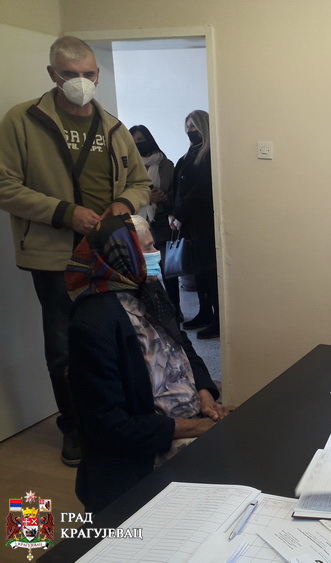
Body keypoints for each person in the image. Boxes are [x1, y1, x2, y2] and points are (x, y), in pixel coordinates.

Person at [0, 35, 151, 466]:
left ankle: (119, 420)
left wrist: (123, 204)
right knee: (65, 348)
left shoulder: (114, 127)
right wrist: (65, 213)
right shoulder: (22, 120)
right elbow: (4, 185)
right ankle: (77, 430)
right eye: (70, 74)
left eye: (87, 73)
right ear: (53, 74)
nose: (80, 82)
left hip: (111, 256)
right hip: (54, 257)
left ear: (98, 75)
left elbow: (140, 183)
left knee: (121, 338)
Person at [65, 214, 228, 513]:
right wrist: (197, 427)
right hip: (144, 454)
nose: (157, 253)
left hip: (185, 422)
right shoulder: (94, 323)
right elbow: (111, 427)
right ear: (124, 256)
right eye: (149, 247)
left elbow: (183, 347)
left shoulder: (148, 290)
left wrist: (205, 394)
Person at [169, 110, 219, 339]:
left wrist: (179, 214)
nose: (190, 130)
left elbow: (201, 190)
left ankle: (218, 319)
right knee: (198, 271)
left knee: (210, 272)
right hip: (189, 224)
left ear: (204, 127)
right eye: (187, 126)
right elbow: (178, 189)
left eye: (194, 126)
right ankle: (204, 312)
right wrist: (172, 213)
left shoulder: (209, 155)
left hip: (204, 224)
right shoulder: (188, 155)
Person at [129, 124, 180, 318]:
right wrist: (147, 197)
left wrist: (164, 197)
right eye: (134, 141)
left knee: (168, 269)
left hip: (161, 222)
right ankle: (150, 310)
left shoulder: (166, 164)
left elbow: (176, 191)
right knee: (144, 270)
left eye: (141, 140)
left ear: (149, 140)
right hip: (137, 223)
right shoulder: (129, 165)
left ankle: (175, 309)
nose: (138, 144)